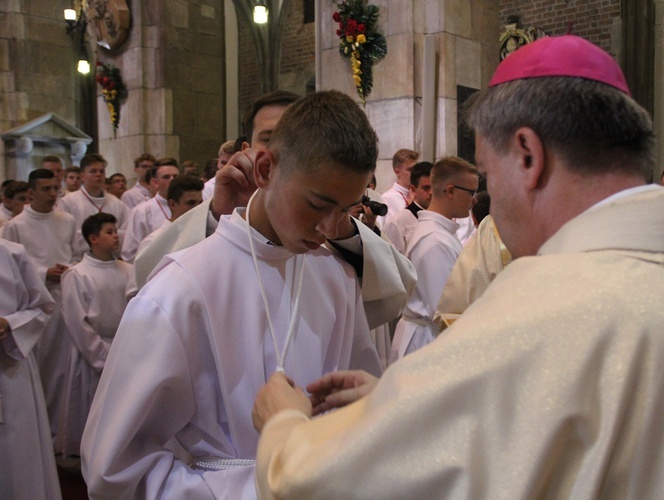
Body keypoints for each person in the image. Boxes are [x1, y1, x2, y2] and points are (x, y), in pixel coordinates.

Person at [252, 35, 664, 499]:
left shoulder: (550, 298)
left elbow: (312, 480)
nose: (486, 204)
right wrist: (396, 404)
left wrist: (285, 428)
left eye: (488, 176)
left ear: (529, 156)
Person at [82, 90, 385, 498]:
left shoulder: (336, 277)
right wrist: (261, 486)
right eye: (317, 204)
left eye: (347, 210)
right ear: (264, 168)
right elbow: (113, 467)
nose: (331, 229)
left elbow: (360, 404)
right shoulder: (180, 290)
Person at [133, 92, 415, 342]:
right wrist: (217, 214)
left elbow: (392, 293)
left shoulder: (332, 227)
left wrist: (341, 225)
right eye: (269, 138)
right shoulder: (211, 217)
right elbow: (153, 287)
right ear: (251, 153)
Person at [2, 168, 77, 447]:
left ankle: (60, 431)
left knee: (62, 369)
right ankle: (40, 427)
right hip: (31, 305)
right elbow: (12, 269)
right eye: (46, 189)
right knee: (42, 366)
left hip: (63, 299)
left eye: (55, 188)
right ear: (31, 193)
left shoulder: (67, 220)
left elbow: (78, 254)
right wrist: (45, 271)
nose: (52, 194)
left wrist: (69, 268)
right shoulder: (17, 225)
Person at [58, 213, 136, 457]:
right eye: (109, 232)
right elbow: (76, 321)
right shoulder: (76, 274)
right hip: (91, 354)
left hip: (124, 349)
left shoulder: (128, 269)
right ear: (93, 238)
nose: (116, 236)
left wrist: (126, 348)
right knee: (90, 413)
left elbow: (136, 309)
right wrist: (102, 356)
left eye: (116, 231)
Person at [390, 156, 479, 361]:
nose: (474, 199)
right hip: (424, 343)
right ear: (450, 191)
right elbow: (445, 310)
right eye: (471, 192)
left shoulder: (441, 232)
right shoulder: (435, 241)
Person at [0, 239, 61, 499]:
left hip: (9, 368)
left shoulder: (11, 253)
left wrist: (9, 324)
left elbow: (42, 307)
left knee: (14, 454)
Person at [58, 153, 130, 259]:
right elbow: (64, 237)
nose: (98, 174)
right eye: (93, 171)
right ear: (82, 176)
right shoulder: (68, 202)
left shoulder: (116, 203)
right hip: (80, 261)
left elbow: (127, 234)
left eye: (101, 171)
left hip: (111, 260)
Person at [120, 159, 180, 262]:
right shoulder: (142, 211)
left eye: (175, 177)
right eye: (166, 177)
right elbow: (130, 253)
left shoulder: (189, 206)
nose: (172, 180)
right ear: (155, 182)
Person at [136, 174, 204, 256]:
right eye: (191, 203)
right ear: (172, 204)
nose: (198, 208)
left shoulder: (203, 236)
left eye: (200, 203)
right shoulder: (153, 243)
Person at [382, 161, 433, 255]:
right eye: (426, 188)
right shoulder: (397, 222)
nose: (431, 192)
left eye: (434, 187)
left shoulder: (442, 218)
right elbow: (391, 261)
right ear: (413, 189)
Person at [380, 148, 419, 224]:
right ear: (397, 172)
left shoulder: (420, 194)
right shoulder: (387, 198)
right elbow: (389, 231)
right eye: (410, 170)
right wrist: (410, 208)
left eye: (416, 169)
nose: (415, 173)